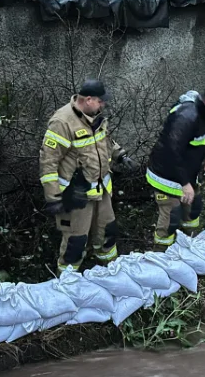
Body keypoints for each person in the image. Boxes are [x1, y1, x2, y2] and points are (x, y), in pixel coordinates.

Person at [39, 79, 138, 271]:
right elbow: (48, 162)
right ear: (89, 99)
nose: (104, 105)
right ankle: (66, 283)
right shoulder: (62, 122)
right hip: (76, 195)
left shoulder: (94, 116)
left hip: (101, 191)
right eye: (101, 101)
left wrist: (120, 155)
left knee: (107, 233)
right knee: (75, 242)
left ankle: (111, 271)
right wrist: (53, 198)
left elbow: (103, 140)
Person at [145, 86, 205, 247]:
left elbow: (197, 140)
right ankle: (161, 254)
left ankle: (189, 245)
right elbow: (171, 151)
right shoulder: (186, 117)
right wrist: (184, 184)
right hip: (166, 175)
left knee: (194, 208)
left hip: (187, 174)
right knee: (171, 217)